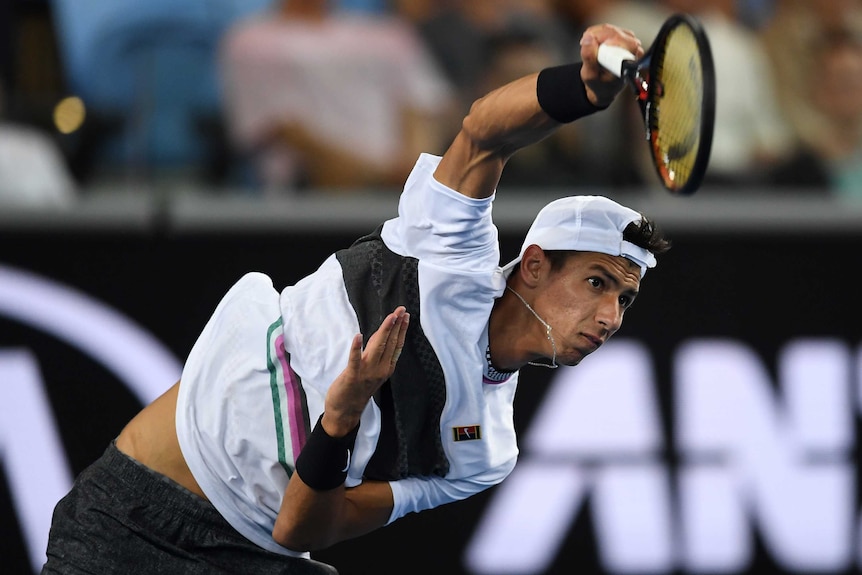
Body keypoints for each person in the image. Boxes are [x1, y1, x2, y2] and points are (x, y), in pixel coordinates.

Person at [41, 22, 671, 575]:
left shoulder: (488, 451)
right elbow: (484, 133)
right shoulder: (448, 255)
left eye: (625, 299)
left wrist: (340, 420)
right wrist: (582, 88)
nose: (612, 317)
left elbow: (303, 530)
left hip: (262, 558)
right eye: (597, 283)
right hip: (135, 519)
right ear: (533, 266)